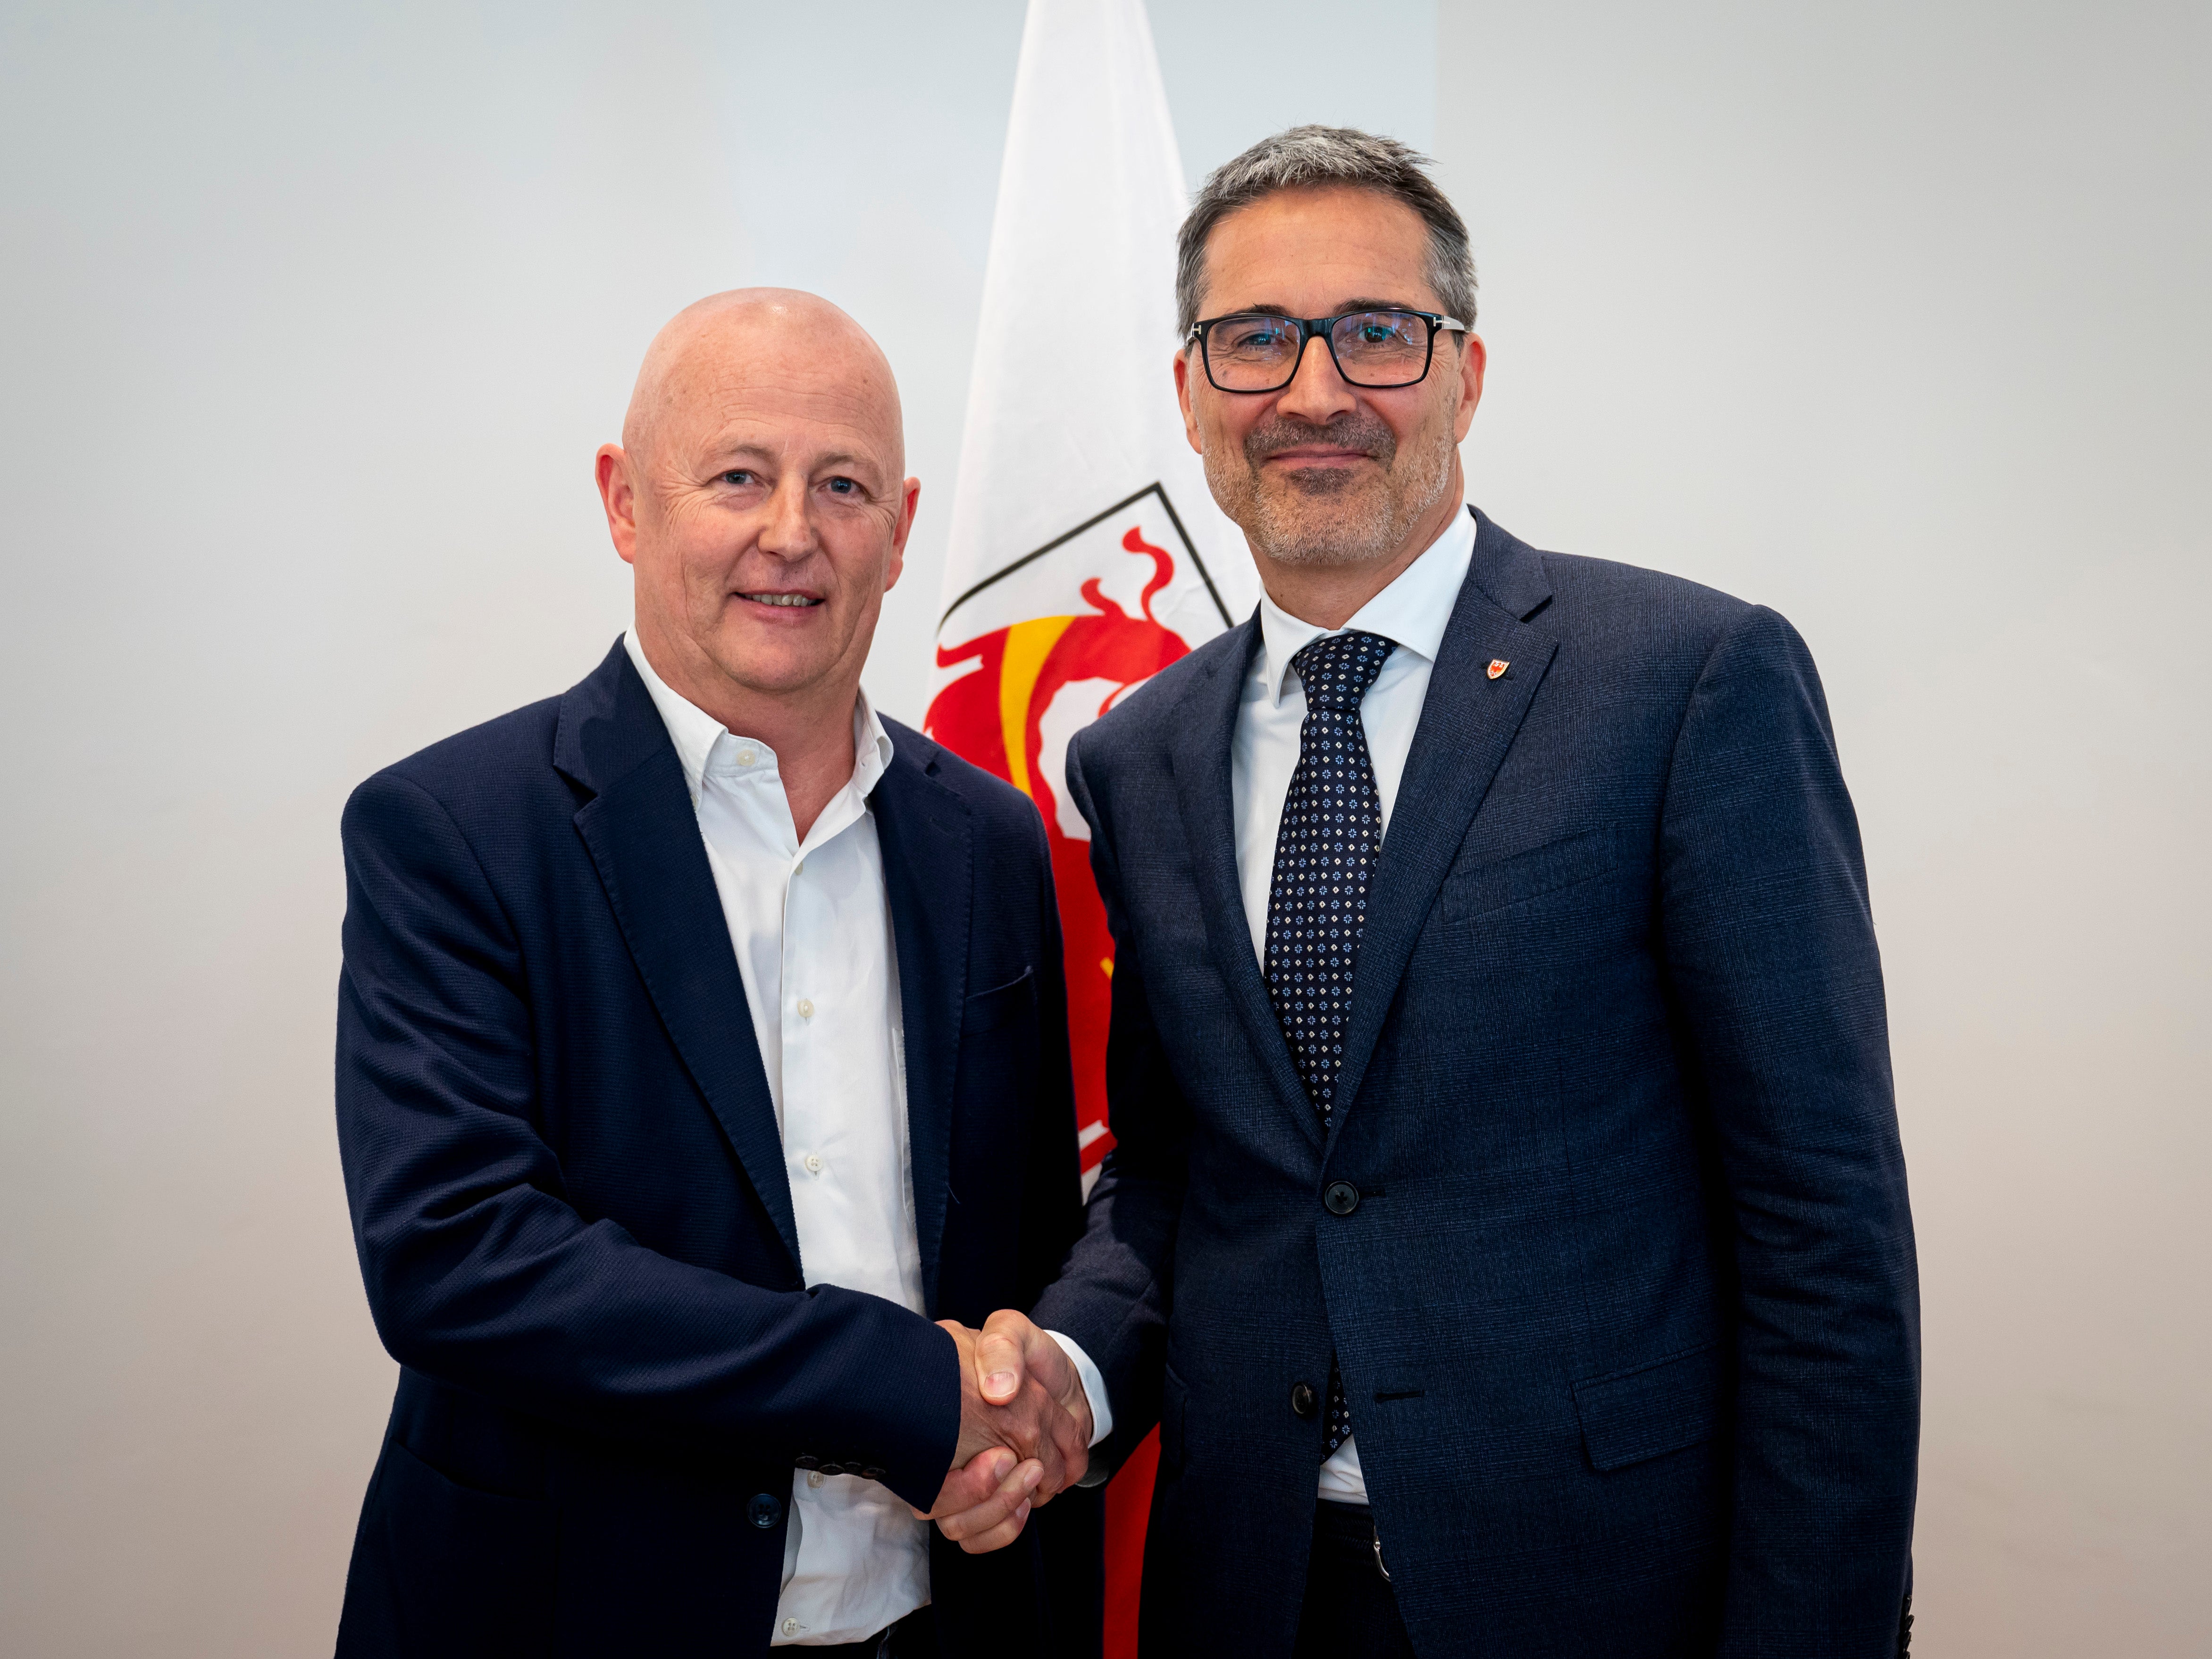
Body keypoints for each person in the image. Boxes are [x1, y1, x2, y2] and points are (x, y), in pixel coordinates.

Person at [955, 127, 1920, 1657]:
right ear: (1194, 395)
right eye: (1258, 339)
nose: (1317, 391)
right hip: (1251, 1582)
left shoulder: (1683, 682)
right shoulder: (1136, 755)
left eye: (1378, 334)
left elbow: (1823, 1225)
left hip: (1598, 1584)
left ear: (1466, 375)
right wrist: (1068, 1370)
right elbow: (1177, 1172)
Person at [332, 289, 1104, 1658]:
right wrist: (901, 1389)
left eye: (844, 484)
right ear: (626, 503)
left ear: (905, 527)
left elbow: (1033, 1237)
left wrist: (1021, 1415)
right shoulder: (454, 829)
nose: (791, 532)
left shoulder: (989, 840)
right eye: (738, 476)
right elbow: (459, 1259)